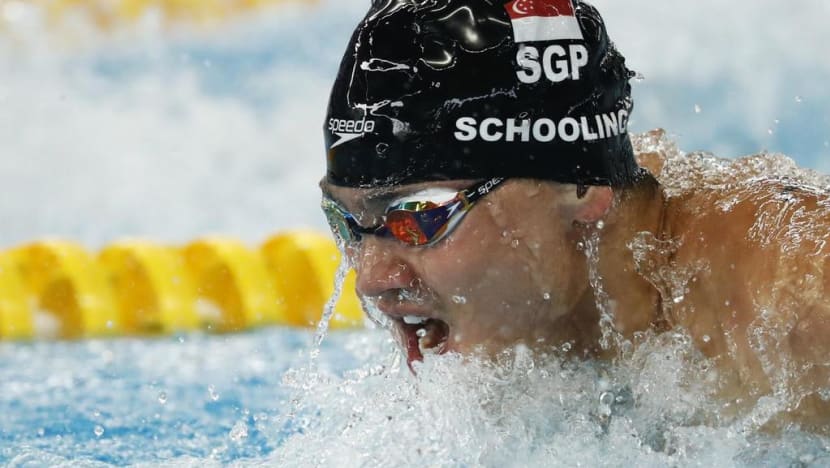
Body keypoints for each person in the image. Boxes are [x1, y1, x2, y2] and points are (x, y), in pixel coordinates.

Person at [319, 0, 830, 426]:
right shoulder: (533, 319)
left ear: (581, 185)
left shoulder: (792, 299)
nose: (371, 278)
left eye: (418, 214)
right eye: (346, 222)